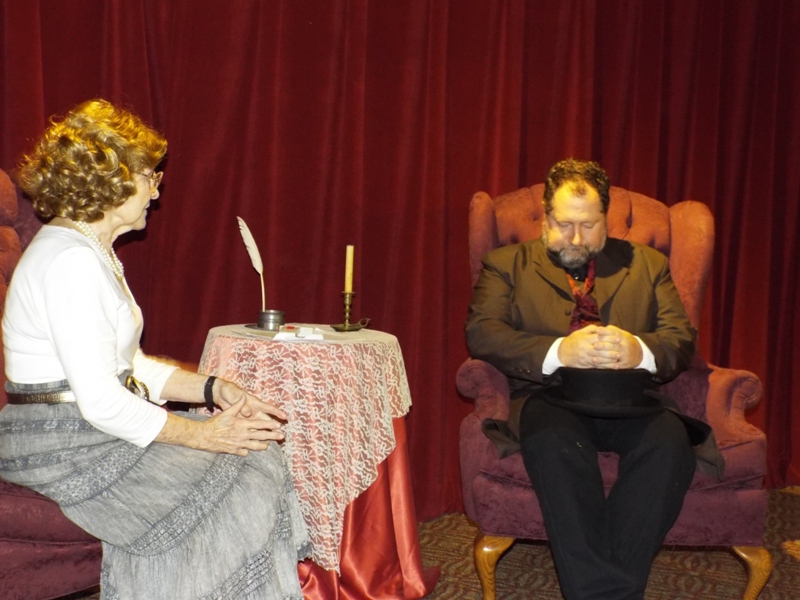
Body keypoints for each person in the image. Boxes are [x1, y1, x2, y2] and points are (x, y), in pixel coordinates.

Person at [0, 99, 309, 599]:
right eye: (150, 177)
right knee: (244, 474)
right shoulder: (69, 261)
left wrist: (214, 389)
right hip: (58, 443)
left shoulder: (89, 251)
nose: (156, 191)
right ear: (111, 179)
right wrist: (204, 435)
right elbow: (103, 401)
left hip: (78, 430)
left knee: (256, 458)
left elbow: (130, 365)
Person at [465, 158, 723, 600]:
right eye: (564, 225)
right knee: (554, 446)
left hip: (635, 398)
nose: (576, 238)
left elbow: (681, 340)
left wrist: (638, 350)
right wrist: (558, 352)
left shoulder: (648, 264)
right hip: (550, 396)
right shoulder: (506, 264)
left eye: (589, 226)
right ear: (546, 217)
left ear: (605, 219)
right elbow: (482, 333)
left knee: (669, 447)